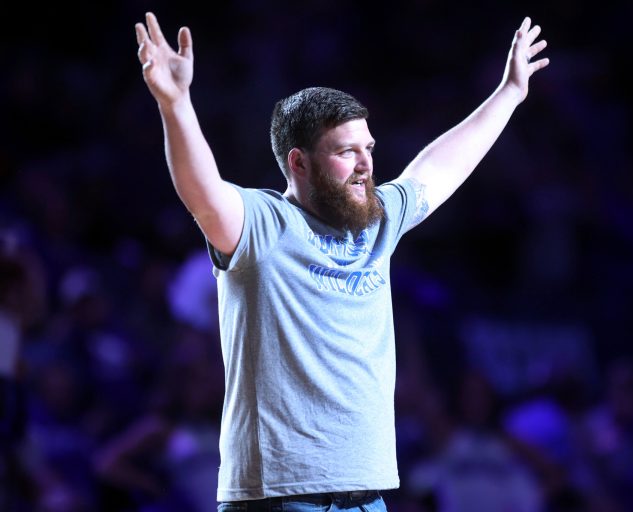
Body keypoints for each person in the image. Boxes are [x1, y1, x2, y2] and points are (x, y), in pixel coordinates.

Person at [134, 11, 549, 511]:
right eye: (346, 151)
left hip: (368, 500)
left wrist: (510, 93)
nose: (366, 164)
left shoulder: (377, 223)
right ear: (299, 162)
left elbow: (440, 166)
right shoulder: (263, 224)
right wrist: (176, 104)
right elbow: (202, 193)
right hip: (280, 500)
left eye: (368, 148)